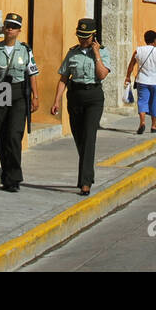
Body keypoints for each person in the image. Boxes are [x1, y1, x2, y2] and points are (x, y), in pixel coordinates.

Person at [0, 12, 38, 192]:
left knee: (14, 134)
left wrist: (36, 96)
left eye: (13, 26)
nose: (9, 29)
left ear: (19, 30)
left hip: (18, 92)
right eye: (7, 26)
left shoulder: (25, 50)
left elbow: (33, 74)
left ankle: (14, 176)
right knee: (1, 132)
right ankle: (6, 175)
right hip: (1, 90)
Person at [51, 18, 109, 196]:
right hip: (75, 96)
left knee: (89, 137)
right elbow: (64, 78)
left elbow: (102, 74)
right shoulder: (72, 53)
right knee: (80, 138)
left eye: (86, 37)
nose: (82, 40)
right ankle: (86, 175)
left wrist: (96, 54)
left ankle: (85, 182)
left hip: (93, 97)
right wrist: (57, 100)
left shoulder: (103, 53)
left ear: (94, 37)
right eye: (80, 37)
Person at [123, 29, 156, 135]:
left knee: (142, 101)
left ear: (145, 39)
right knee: (154, 102)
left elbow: (131, 65)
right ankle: (154, 125)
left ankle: (142, 123)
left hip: (142, 81)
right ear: (155, 40)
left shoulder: (138, 51)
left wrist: (128, 77)